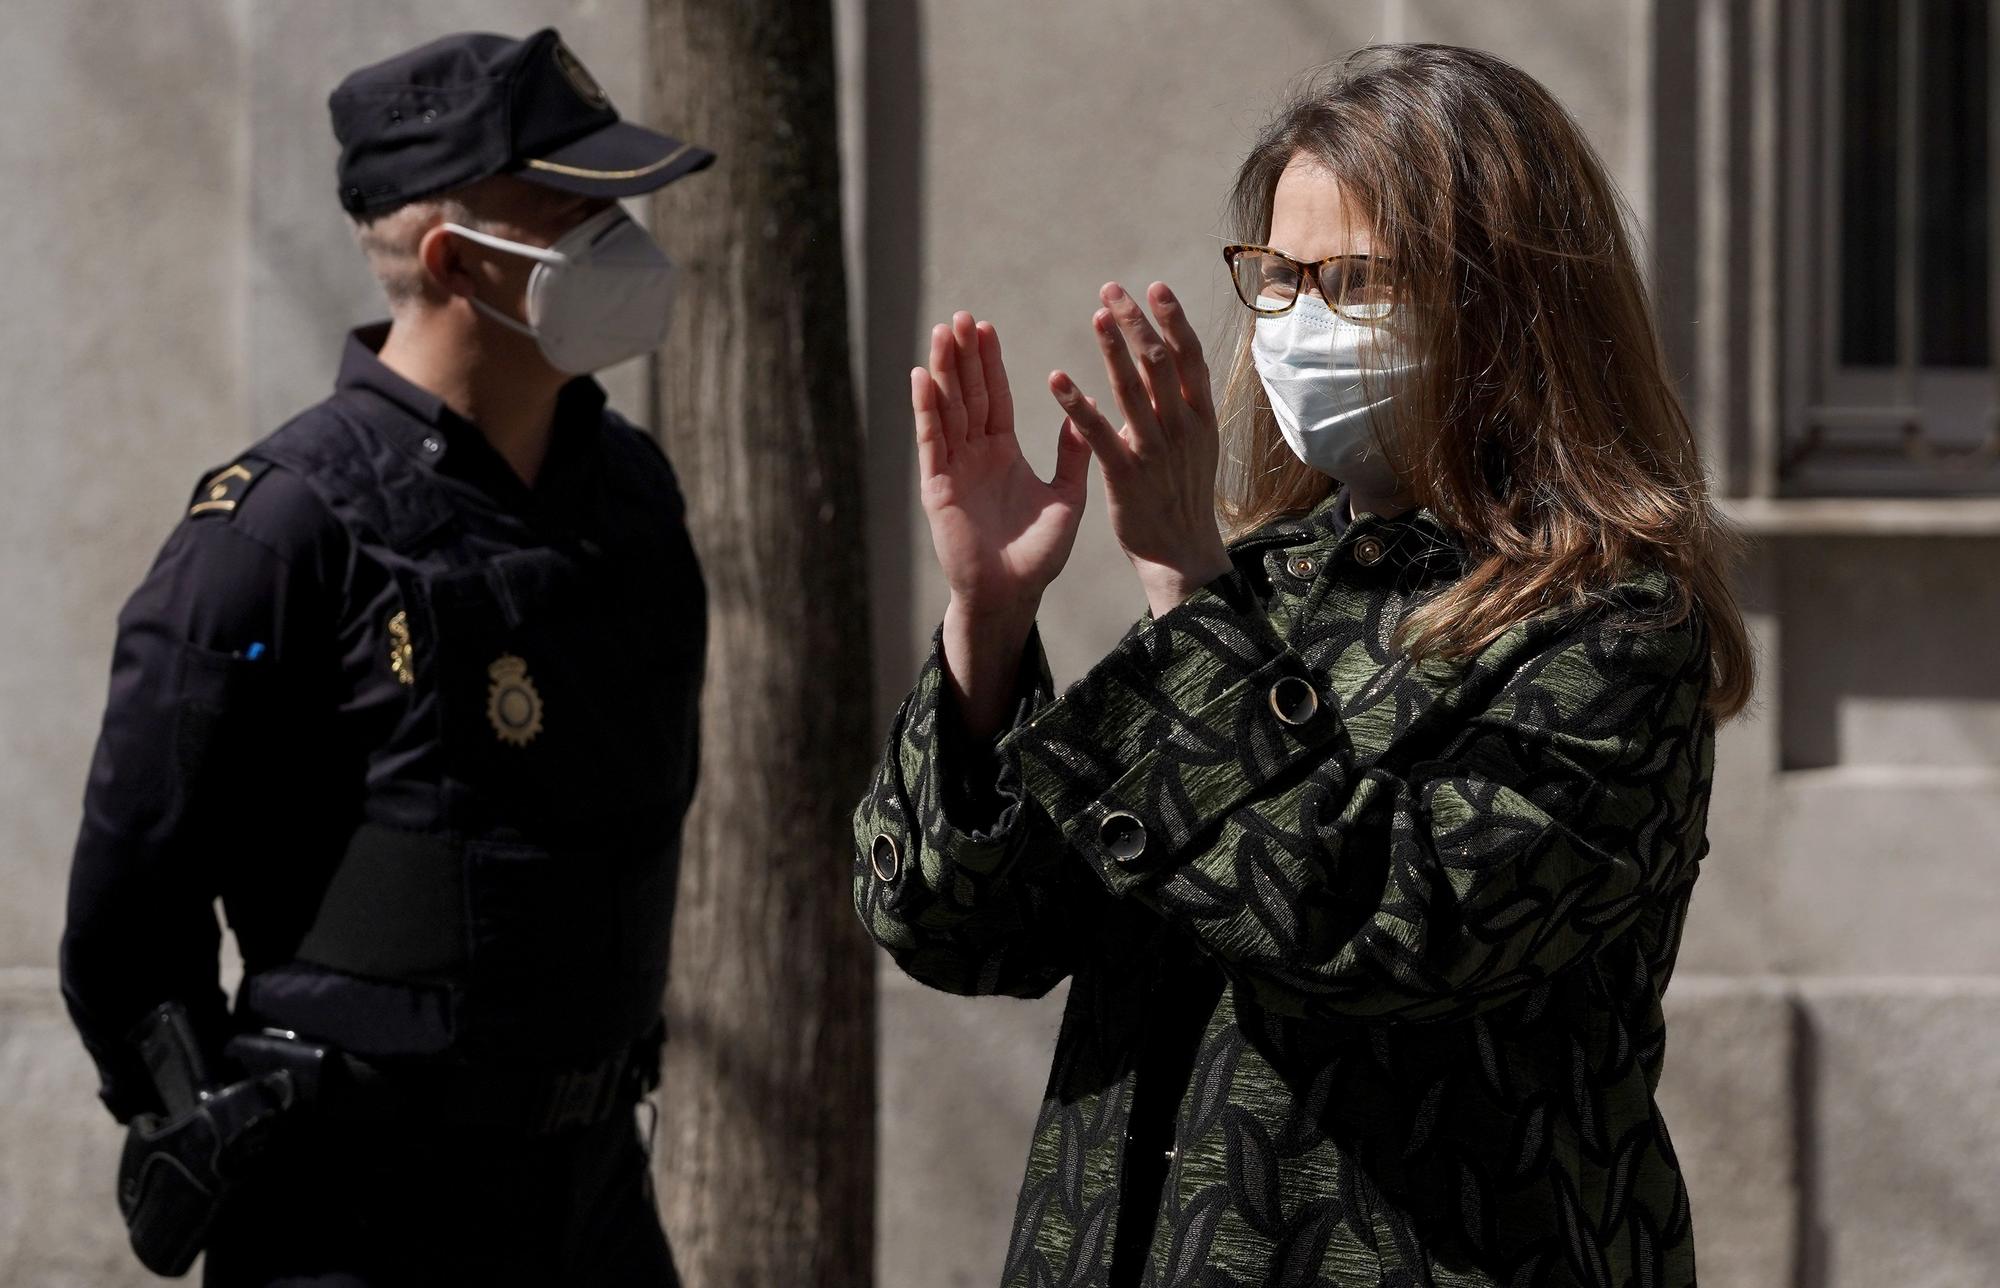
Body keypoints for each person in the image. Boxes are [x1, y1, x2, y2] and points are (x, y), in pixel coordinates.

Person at [852, 43, 1754, 1288]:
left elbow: (1380, 932)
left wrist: (1183, 584)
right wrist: (989, 623)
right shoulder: (1264, 587)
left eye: (1358, 281)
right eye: (1278, 277)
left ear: (1505, 306)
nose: (1301, 320)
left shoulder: (1609, 631)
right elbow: (964, 929)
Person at [60, 28, 711, 1286]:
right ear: (458, 259)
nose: (619, 241)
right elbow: (127, 907)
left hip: (594, 1200)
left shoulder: (627, 493)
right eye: (575, 210)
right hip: (356, 1214)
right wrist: (199, 1118)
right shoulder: (279, 528)